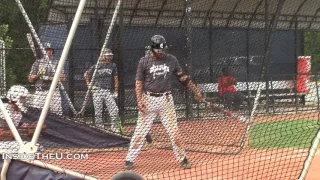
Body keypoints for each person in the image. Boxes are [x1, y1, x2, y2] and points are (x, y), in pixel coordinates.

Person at [124, 35, 205, 170]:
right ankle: (129, 159)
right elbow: (138, 82)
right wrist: (139, 100)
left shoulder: (171, 59)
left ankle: (182, 158)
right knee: (140, 132)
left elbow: (182, 77)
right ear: (152, 48)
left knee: (174, 132)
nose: (161, 53)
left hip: (166, 100)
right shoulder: (144, 61)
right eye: (158, 50)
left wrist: (196, 91)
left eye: (162, 50)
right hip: (148, 99)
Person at [84, 48, 120, 132]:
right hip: (97, 90)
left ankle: (114, 128)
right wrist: (88, 84)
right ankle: (100, 129)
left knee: (114, 109)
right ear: (103, 56)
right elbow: (86, 74)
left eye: (110, 56)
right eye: (107, 56)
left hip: (107, 91)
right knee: (98, 111)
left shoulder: (113, 65)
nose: (109, 57)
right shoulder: (97, 65)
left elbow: (116, 79)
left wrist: (116, 91)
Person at [28, 42, 65, 116]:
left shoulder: (57, 63)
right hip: (40, 92)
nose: (49, 51)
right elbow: (30, 79)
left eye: (50, 50)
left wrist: (49, 78)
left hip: (54, 92)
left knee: (57, 114)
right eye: (47, 50)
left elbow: (63, 78)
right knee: (36, 113)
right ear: (43, 51)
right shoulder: (37, 63)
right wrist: (38, 75)